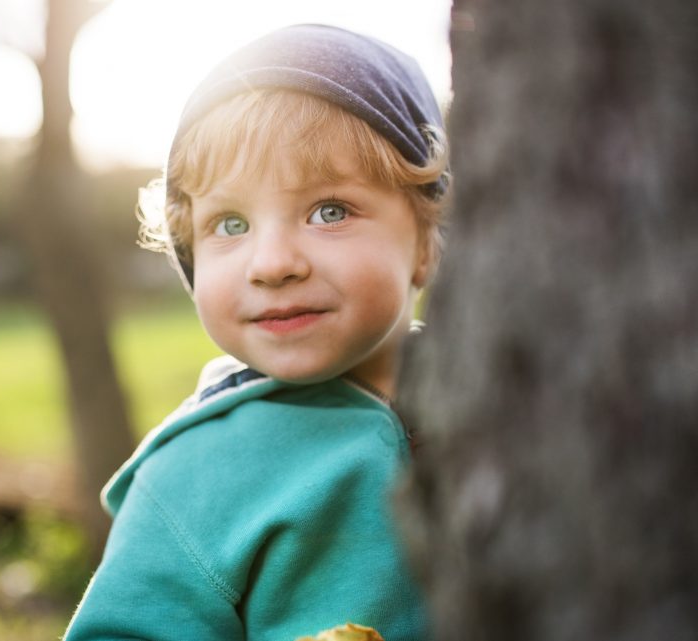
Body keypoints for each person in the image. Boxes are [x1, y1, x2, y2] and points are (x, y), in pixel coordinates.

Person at [63, 23, 450, 641]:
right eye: (230, 223)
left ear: (428, 241)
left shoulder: (514, 410)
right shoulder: (192, 477)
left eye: (330, 211)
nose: (272, 263)